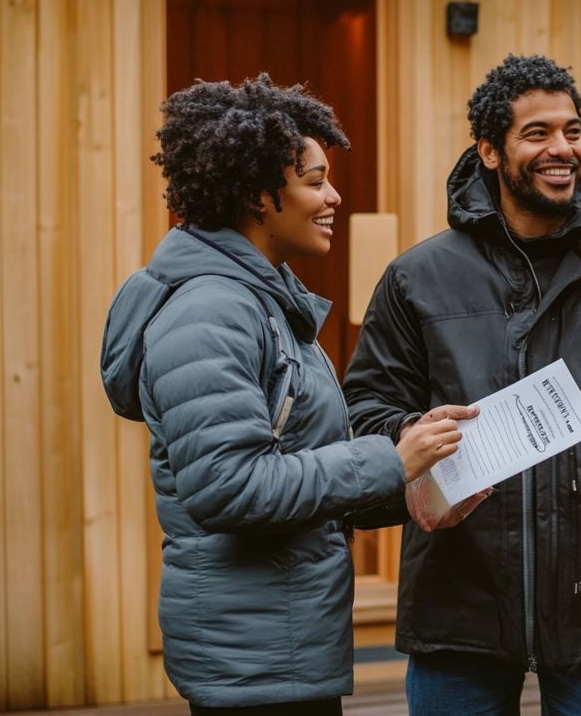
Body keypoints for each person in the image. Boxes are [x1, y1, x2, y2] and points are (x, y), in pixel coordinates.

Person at [100, 76, 476, 714]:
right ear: (256, 195)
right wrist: (391, 460)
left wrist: (413, 468)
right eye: (313, 179)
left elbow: (300, 468)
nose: (333, 196)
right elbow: (229, 485)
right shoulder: (211, 315)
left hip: (284, 646)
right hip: (253, 657)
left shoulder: (259, 302)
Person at [341, 54, 581, 716]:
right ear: (490, 151)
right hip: (457, 608)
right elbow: (364, 415)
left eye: (573, 130)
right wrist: (412, 435)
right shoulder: (419, 278)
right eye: (538, 133)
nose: (562, 149)